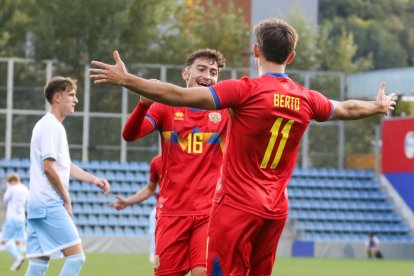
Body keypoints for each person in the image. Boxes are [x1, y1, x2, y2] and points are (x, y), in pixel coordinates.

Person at [90, 18, 397, 275]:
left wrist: (127, 79)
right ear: (291, 57)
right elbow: (347, 109)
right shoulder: (306, 98)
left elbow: (179, 95)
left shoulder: (245, 91)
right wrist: (377, 105)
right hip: (275, 208)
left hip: (236, 206)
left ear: (256, 51)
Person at [110, 48, 229, 276]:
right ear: (185, 73)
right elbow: (130, 134)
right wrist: (143, 103)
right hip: (171, 213)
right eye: (201, 69)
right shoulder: (165, 106)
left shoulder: (225, 112)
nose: (208, 75)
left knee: (202, 273)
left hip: (209, 212)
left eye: (213, 72)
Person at [25, 76, 110, 276]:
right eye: (71, 95)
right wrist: (66, 198)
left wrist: (94, 180)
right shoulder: (51, 126)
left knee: (38, 264)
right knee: (76, 257)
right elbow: (49, 167)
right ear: (57, 97)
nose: (75, 100)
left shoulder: (50, 126)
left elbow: (65, 166)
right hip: (49, 203)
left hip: (37, 205)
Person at [109, 154, 162, 263]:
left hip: (193, 212)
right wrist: (128, 201)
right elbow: (149, 189)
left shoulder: (193, 157)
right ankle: (153, 254)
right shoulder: (157, 162)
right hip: (165, 213)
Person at [1, 172, 29, 271]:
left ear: (12, 181)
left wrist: (9, 187)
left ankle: (18, 257)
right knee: (18, 241)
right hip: (21, 218)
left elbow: (5, 199)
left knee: (5, 240)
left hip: (11, 217)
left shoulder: (12, 188)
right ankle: (17, 262)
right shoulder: (25, 188)